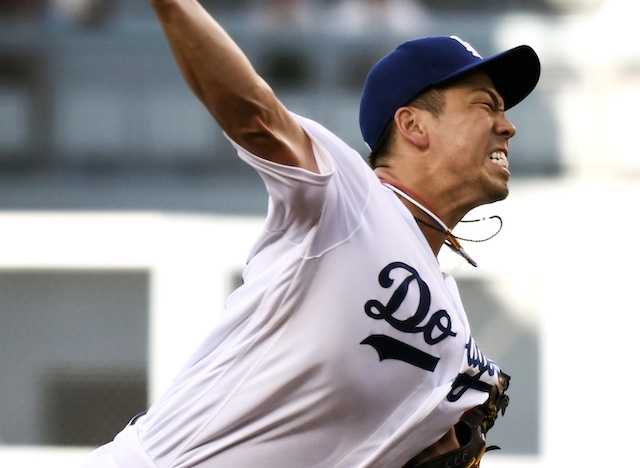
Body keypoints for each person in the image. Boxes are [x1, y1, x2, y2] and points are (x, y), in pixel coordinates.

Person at [83, 1, 540, 466]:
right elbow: (253, 112)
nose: (508, 126)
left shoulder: (453, 320)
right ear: (413, 125)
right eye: (487, 106)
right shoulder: (349, 200)